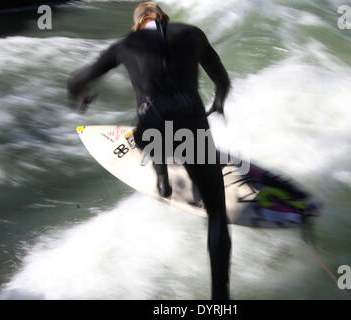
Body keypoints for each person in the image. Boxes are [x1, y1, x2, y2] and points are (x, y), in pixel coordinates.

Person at [67, 2, 231, 300]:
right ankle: (220, 300)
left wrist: (82, 98)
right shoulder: (192, 33)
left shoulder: (125, 45)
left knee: (152, 132)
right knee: (217, 213)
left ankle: (163, 180)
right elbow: (222, 79)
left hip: (152, 130)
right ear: (166, 20)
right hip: (192, 126)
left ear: (137, 26)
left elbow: (76, 80)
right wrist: (218, 103)